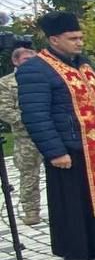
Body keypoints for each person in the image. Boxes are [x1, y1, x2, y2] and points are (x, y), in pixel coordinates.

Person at [18, 12, 95, 260]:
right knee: (74, 202)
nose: (79, 42)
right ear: (54, 40)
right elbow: (36, 115)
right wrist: (55, 151)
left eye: (80, 37)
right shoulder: (36, 69)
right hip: (69, 147)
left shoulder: (84, 63)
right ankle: (80, 249)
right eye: (73, 38)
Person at [0, 47, 41, 225]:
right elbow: (4, 110)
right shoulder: (6, 83)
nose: (31, 63)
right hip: (26, 137)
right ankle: (31, 211)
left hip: (51, 133)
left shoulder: (42, 78)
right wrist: (29, 120)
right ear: (15, 61)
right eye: (26, 59)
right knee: (29, 175)